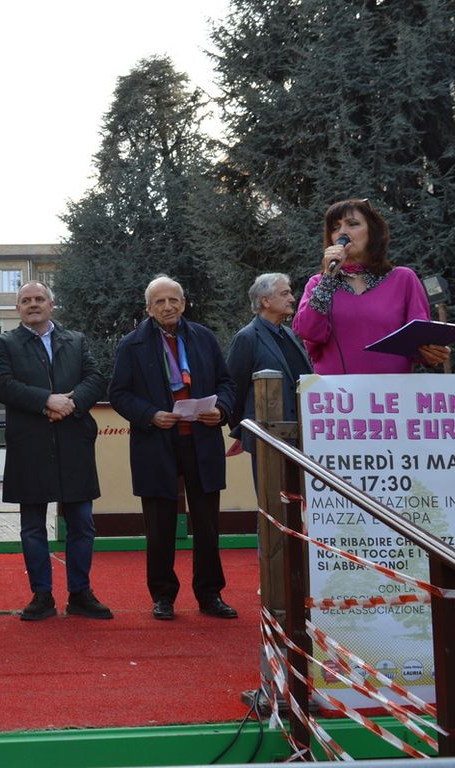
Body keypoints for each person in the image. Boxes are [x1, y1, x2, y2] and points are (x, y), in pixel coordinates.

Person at [108, 275, 237, 622]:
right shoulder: (132, 344)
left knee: (207, 525)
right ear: (149, 308)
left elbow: (227, 383)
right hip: (156, 442)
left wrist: (221, 410)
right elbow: (118, 393)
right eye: (160, 302)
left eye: (173, 300)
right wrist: (150, 415)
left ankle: (210, 594)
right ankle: (163, 596)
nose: (168, 307)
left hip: (201, 440)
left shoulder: (204, 338)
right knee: (160, 525)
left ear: (184, 303)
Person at [0, 281, 111, 621]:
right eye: (25, 300)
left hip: (74, 442)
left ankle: (80, 593)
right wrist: (46, 401)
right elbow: (1, 384)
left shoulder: (76, 340)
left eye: (39, 298)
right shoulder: (4, 343)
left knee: (82, 523)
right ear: (17, 308)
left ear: (51, 304)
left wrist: (71, 404)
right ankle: (41, 596)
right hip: (30, 445)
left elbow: (95, 377)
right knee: (32, 527)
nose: (33, 304)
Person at [292, 198, 450, 374]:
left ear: (372, 232)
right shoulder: (318, 283)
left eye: (352, 224)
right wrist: (328, 277)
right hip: (335, 390)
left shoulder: (403, 279)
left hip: (390, 389)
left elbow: (419, 340)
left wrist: (431, 353)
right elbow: (306, 331)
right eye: (335, 228)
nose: (342, 232)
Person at [226, 273, 313, 484]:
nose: (292, 298)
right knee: (273, 499)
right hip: (267, 440)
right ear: (265, 301)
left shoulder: (289, 334)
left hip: (301, 439)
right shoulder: (247, 338)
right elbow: (233, 391)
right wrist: (247, 429)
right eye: (285, 293)